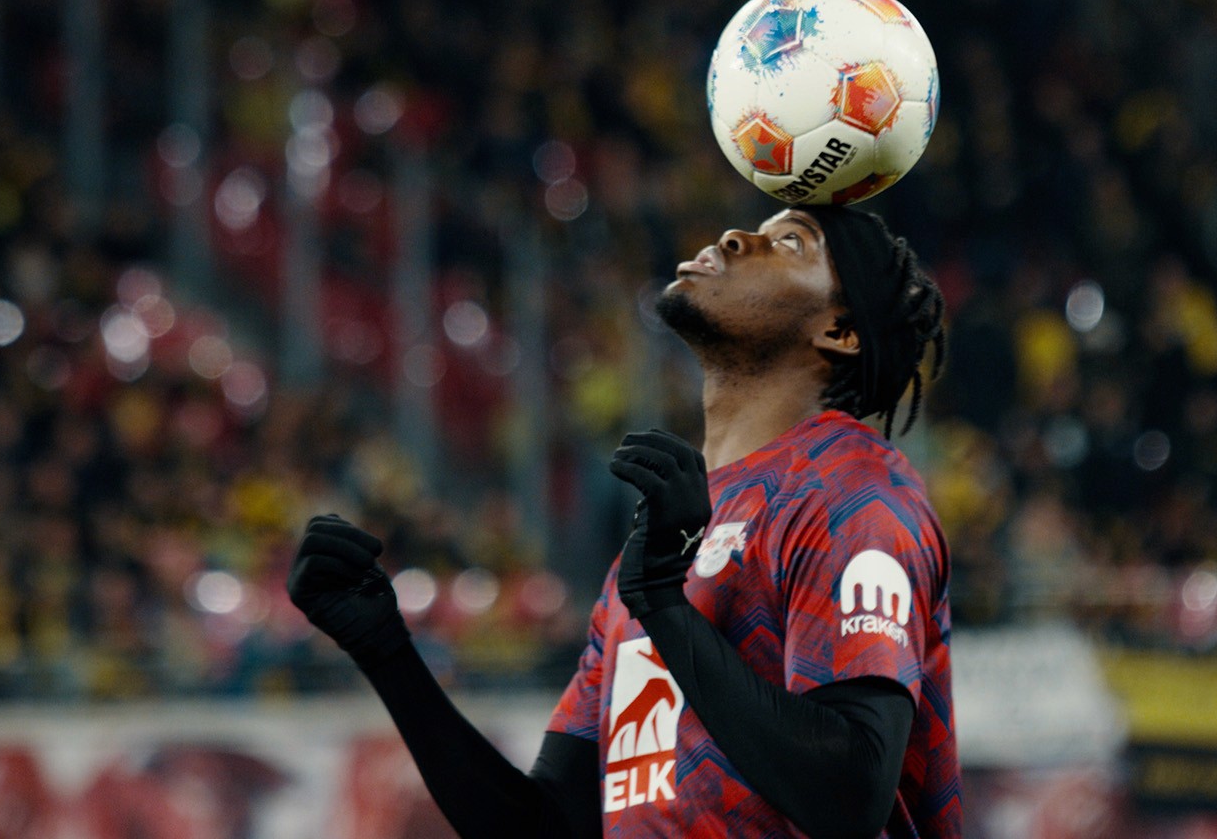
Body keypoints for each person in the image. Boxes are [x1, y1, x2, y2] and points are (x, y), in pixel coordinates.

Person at [287, 205, 960, 837]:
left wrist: (666, 607)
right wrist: (386, 652)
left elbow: (848, 796)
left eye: (790, 244)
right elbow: (546, 826)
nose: (734, 238)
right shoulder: (654, 554)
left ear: (837, 330)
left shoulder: (851, 492)